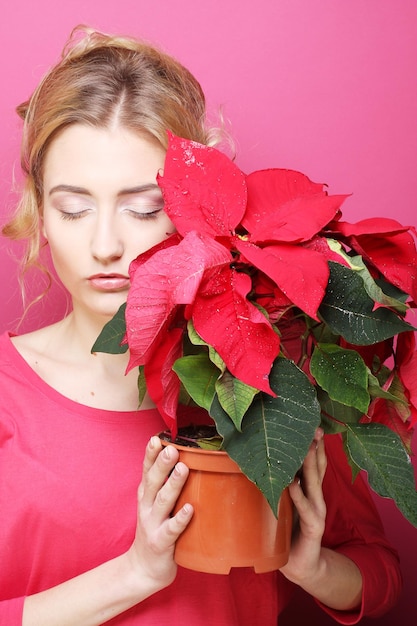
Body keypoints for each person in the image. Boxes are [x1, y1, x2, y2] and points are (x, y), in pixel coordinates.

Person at [0, 25, 402, 626]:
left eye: (144, 208)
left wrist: (311, 568)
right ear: (40, 213)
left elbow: (380, 576)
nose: (106, 243)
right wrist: (134, 573)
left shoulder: (281, 377)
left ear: (194, 210)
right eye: (74, 207)